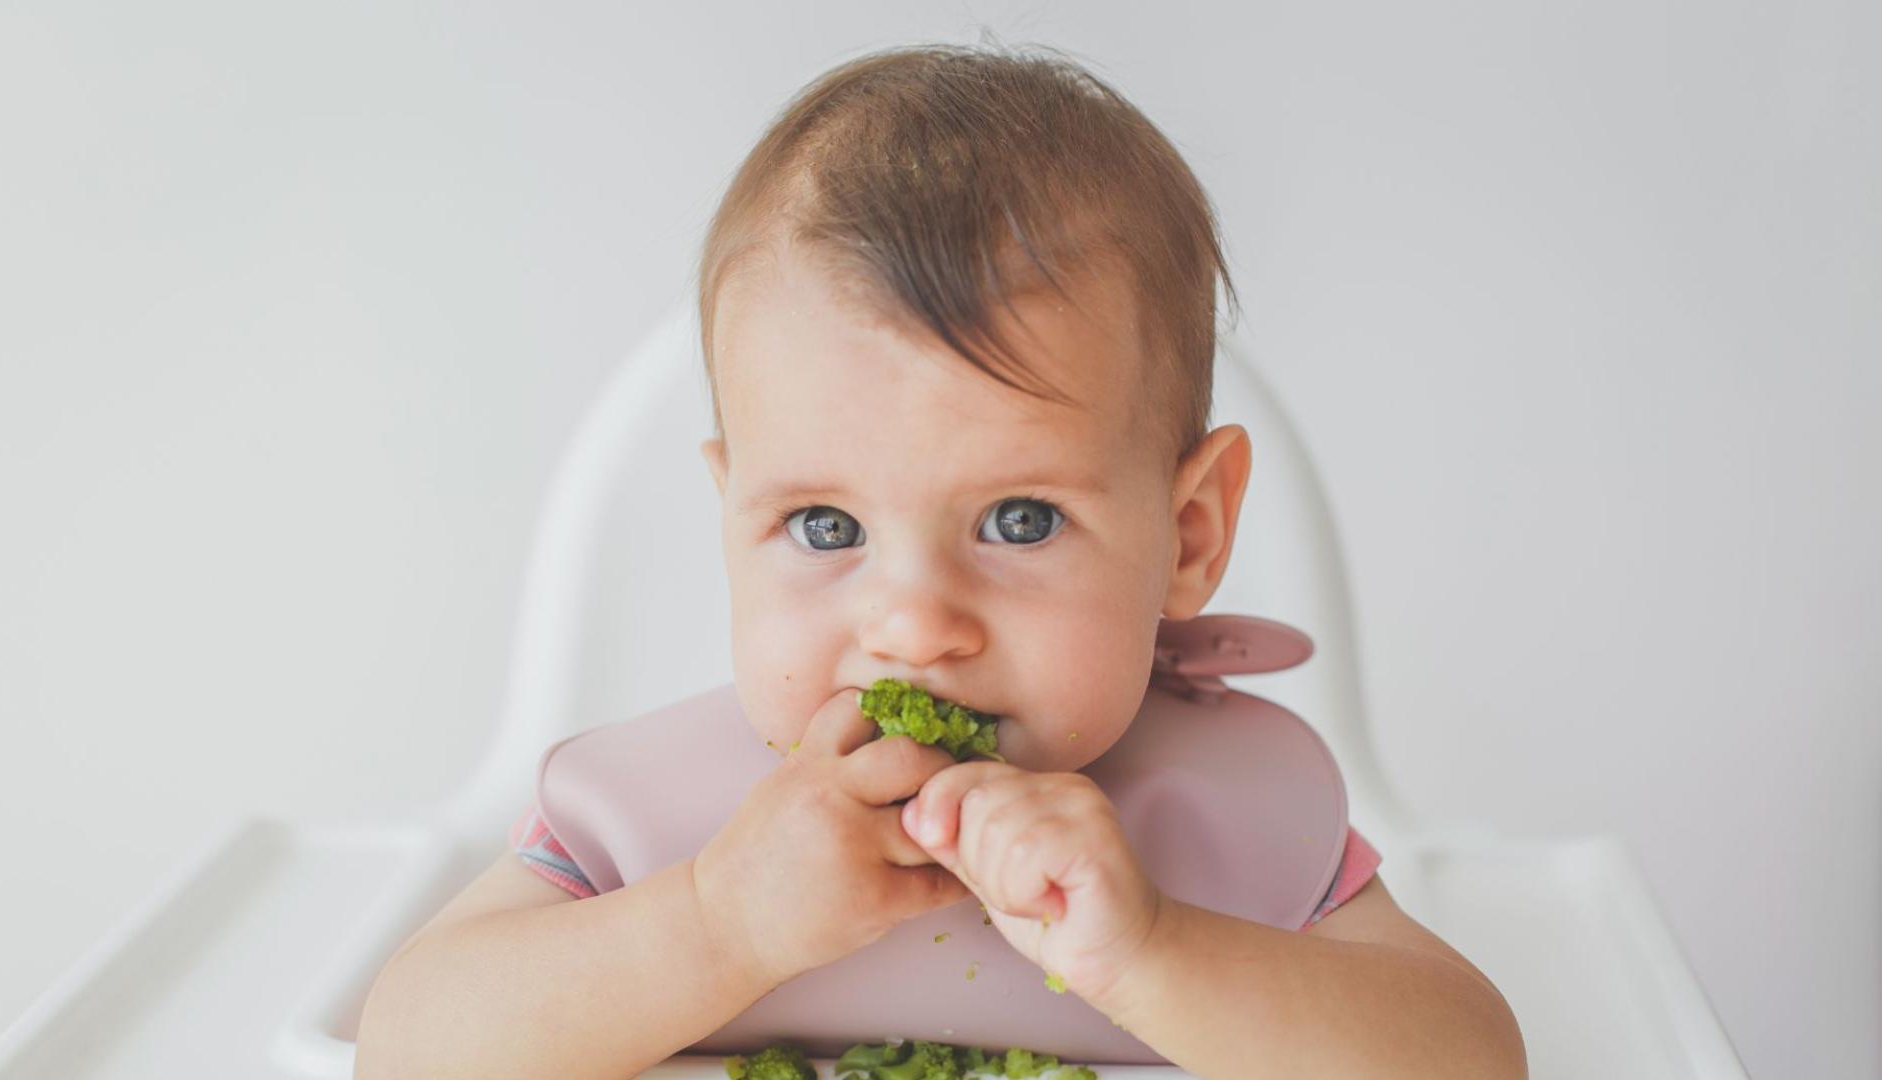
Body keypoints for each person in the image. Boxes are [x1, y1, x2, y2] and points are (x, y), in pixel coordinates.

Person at [355, 39, 1526, 1079]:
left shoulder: (1228, 826)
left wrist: (1154, 954)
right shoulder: (663, 826)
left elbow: (1471, 1062)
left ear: (1191, 537)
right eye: (826, 528)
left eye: (1019, 520)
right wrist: (717, 925)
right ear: (734, 526)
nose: (912, 626)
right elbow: (405, 1051)